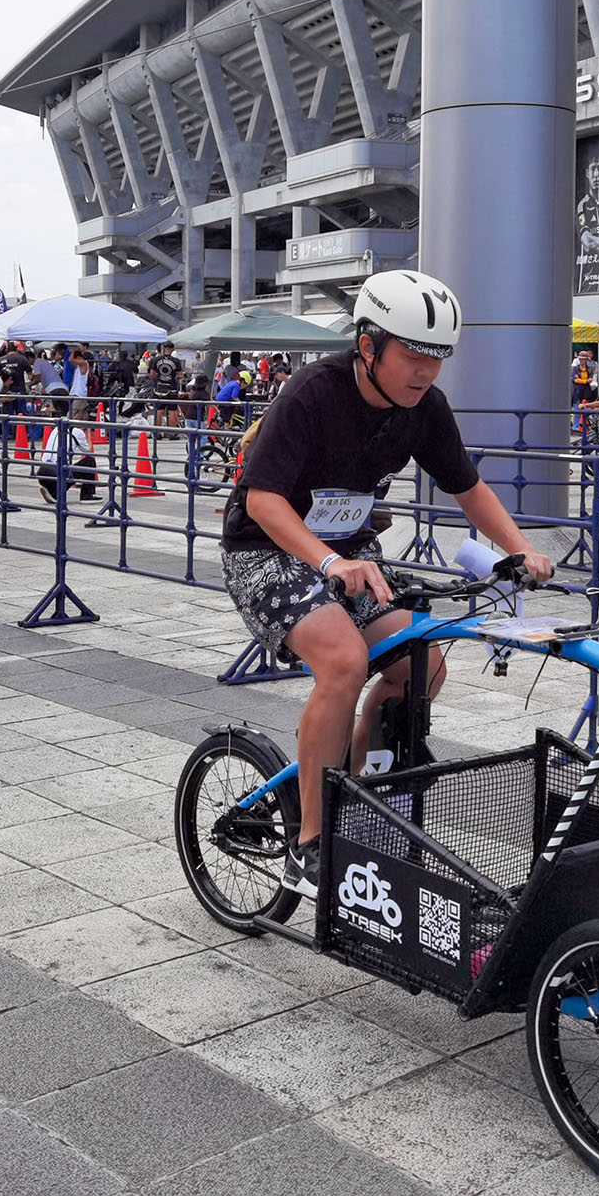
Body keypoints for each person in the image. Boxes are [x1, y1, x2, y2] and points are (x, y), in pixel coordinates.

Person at [219, 269, 556, 897]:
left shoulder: (423, 408)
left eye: (439, 358)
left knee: (422, 663)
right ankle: (311, 843)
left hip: (351, 554)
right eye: (413, 355)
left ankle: (359, 781)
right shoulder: (310, 393)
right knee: (344, 662)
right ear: (369, 346)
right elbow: (263, 500)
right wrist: (327, 563)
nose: (426, 372)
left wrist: (521, 550)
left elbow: (467, 485)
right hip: (267, 551)